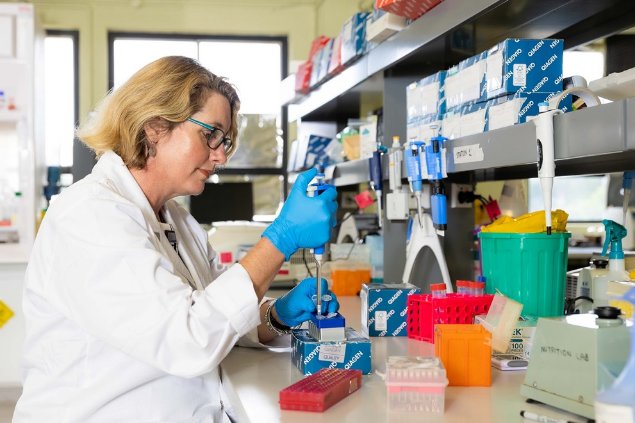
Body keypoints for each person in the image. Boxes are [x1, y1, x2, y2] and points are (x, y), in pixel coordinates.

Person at [13, 56, 339, 422]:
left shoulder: (177, 220)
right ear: (154, 127)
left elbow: (219, 314)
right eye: (210, 135)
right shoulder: (88, 216)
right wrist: (282, 236)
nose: (220, 157)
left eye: (225, 141)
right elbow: (188, 339)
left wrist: (274, 314)